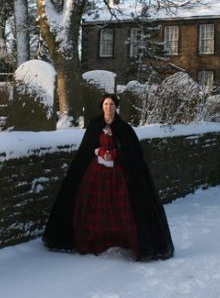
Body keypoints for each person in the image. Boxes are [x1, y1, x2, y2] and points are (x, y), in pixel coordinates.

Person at [42, 93, 174, 261]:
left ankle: (124, 239)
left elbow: (133, 152)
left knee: (122, 207)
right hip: (96, 171)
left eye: (111, 104)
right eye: (105, 104)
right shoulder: (95, 125)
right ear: (101, 106)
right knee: (93, 205)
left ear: (116, 107)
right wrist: (100, 152)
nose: (108, 107)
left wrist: (116, 153)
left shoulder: (124, 128)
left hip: (118, 173)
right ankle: (94, 239)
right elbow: (88, 148)